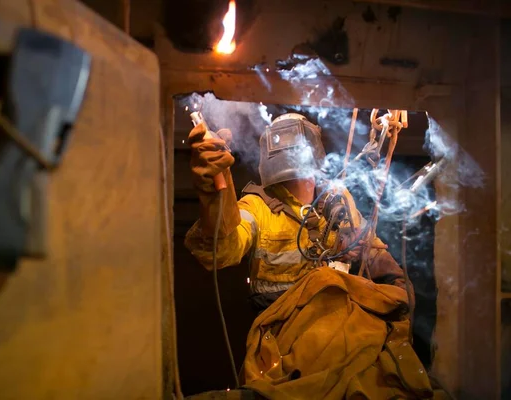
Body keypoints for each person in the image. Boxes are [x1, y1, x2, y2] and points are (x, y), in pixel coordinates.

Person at [184, 113, 446, 399]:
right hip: (283, 330)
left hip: (342, 320)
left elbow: (371, 248)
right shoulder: (256, 207)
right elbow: (221, 251)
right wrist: (215, 196)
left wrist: (393, 284)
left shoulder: (338, 198)